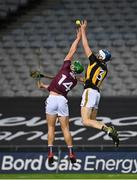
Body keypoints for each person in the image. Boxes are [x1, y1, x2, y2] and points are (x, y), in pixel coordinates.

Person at [36, 29, 84, 165]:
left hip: (51, 99)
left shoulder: (65, 67)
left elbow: (72, 50)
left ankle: (50, 152)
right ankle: (70, 152)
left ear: (72, 67)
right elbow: (57, 81)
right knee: (66, 129)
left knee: (51, 128)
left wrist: (78, 37)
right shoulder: (74, 81)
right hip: (62, 100)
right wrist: (44, 83)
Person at [79, 20, 119, 147]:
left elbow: (85, 46)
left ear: (101, 57)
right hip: (96, 93)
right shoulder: (105, 68)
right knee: (92, 121)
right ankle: (108, 130)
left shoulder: (94, 61)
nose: (96, 54)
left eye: (99, 54)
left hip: (90, 92)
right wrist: (80, 79)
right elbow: (92, 80)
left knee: (85, 121)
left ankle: (108, 129)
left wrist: (83, 30)